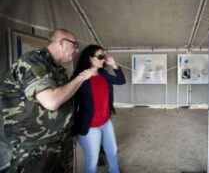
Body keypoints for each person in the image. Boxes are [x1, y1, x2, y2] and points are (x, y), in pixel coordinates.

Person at [0, 28, 96, 173]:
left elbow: (65, 102)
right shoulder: (32, 61)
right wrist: (82, 77)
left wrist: (69, 134)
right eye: (75, 45)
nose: (77, 50)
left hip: (59, 142)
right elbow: (51, 102)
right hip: (36, 150)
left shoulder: (56, 68)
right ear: (62, 42)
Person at [72, 45, 126, 173]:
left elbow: (121, 80)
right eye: (101, 57)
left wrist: (114, 65)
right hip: (90, 126)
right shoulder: (80, 78)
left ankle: (115, 171)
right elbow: (72, 106)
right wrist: (73, 132)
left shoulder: (104, 74)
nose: (104, 60)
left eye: (104, 56)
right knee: (92, 159)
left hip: (106, 122)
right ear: (90, 59)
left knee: (112, 151)